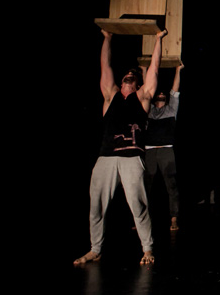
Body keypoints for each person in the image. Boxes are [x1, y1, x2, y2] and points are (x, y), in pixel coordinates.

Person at [74, 28, 167, 266]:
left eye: (132, 76)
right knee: (96, 204)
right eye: (126, 74)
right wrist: (107, 38)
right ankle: (95, 249)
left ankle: (147, 248)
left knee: (137, 204)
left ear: (136, 83)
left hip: (131, 158)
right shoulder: (110, 95)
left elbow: (154, 69)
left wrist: (158, 40)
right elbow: (105, 66)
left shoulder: (143, 97)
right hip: (106, 156)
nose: (128, 76)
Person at [145, 63, 183, 231]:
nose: (161, 94)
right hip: (149, 150)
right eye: (158, 93)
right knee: (146, 186)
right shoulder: (149, 111)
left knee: (171, 185)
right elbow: (146, 91)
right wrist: (144, 70)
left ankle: (174, 219)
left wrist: (178, 70)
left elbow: (175, 91)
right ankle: (142, 219)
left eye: (163, 94)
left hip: (166, 150)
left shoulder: (170, 110)